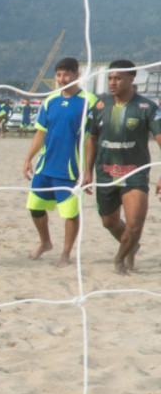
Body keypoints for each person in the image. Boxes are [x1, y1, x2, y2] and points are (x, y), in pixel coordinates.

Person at [84, 59, 161, 276]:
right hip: (106, 173)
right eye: (110, 78)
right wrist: (88, 171)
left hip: (135, 174)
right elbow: (92, 139)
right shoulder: (99, 106)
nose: (112, 82)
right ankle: (131, 245)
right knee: (109, 221)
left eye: (118, 78)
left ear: (131, 78)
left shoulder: (147, 107)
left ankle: (120, 258)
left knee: (135, 225)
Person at [23, 57, 97, 267]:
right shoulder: (50, 100)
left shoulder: (89, 101)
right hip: (46, 166)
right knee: (35, 208)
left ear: (77, 74)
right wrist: (28, 158)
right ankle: (45, 242)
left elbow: (93, 138)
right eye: (58, 75)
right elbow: (40, 133)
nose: (61, 79)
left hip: (71, 169)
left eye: (66, 74)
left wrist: (88, 170)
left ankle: (65, 253)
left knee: (70, 214)